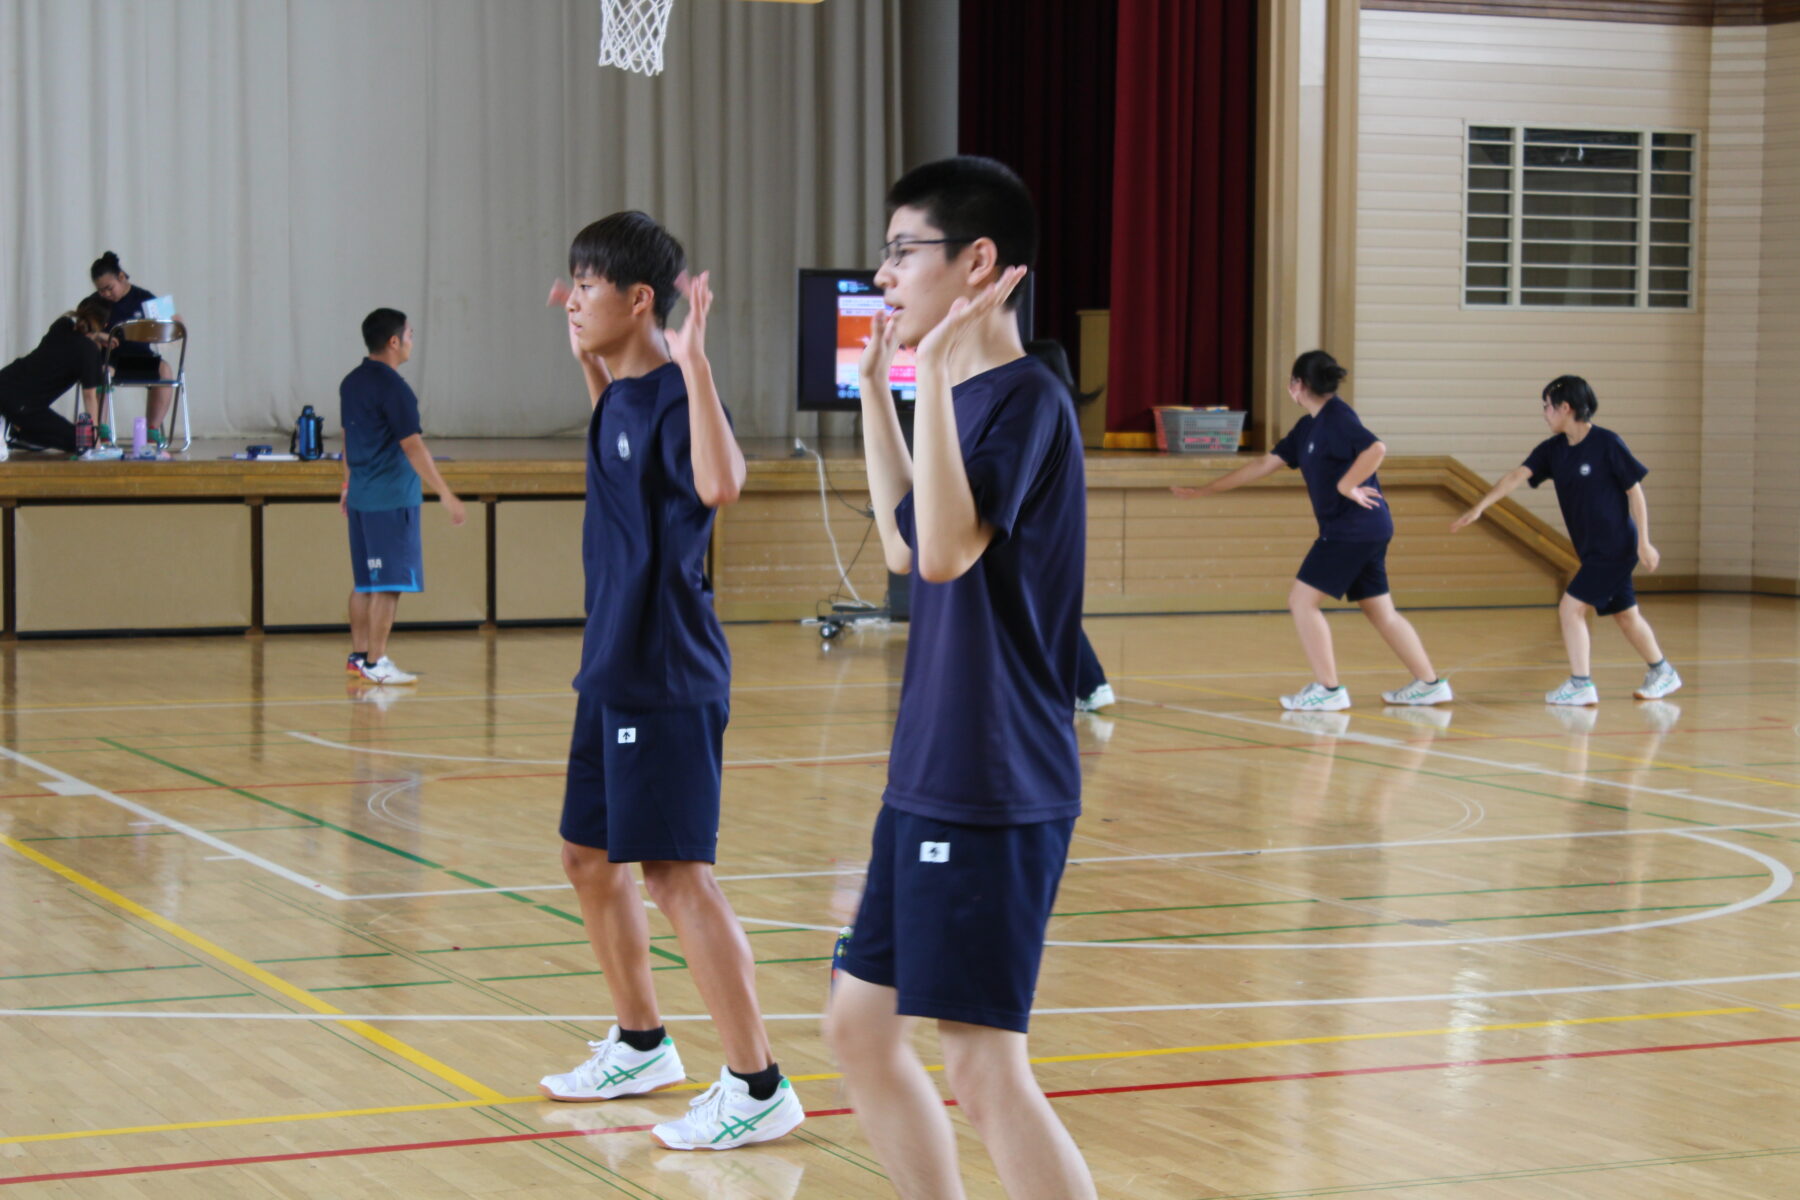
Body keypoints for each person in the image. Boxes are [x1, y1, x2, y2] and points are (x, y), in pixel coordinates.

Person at [828, 156, 1097, 1200]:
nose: (885, 273)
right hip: (928, 772)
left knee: (985, 1070)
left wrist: (928, 378)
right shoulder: (967, 393)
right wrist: (876, 396)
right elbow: (902, 548)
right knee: (857, 1028)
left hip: (994, 779)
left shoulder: (1025, 399)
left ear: (978, 262)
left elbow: (945, 549)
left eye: (904, 250)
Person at [536, 211, 805, 1152]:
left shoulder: (678, 399)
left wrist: (695, 361)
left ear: (639, 299)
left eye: (588, 285)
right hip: (609, 665)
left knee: (676, 875)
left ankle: (758, 1085)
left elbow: (723, 483)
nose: (571, 299)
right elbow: (616, 402)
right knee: (585, 856)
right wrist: (591, 355)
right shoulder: (617, 398)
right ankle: (643, 1043)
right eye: (569, 282)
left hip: (665, 672)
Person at [1172, 350, 1451, 712]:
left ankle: (1329, 689)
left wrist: (1346, 485)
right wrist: (1206, 489)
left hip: (1352, 528)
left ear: (1297, 385)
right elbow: (1263, 464)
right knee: (1380, 610)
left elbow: (1376, 448)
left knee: (1302, 602)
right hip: (1367, 528)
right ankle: (1429, 684)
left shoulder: (1338, 417)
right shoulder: (1308, 428)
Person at [1453, 374, 1680, 704]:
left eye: (1547, 406)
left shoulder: (1607, 444)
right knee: (1626, 615)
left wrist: (1644, 542)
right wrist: (1480, 507)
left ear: (1566, 407)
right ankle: (1663, 672)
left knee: (1570, 609)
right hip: (1591, 550)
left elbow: (1636, 492)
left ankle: (1580, 683)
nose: (1544, 413)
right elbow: (1517, 476)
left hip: (1615, 547)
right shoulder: (1553, 451)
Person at [338, 308, 465, 685]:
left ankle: (360, 657)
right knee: (388, 584)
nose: (412, 339)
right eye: (409, 333)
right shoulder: (394, 388)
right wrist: (445, 493)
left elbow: (347, 438)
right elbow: (413, 446)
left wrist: (345, 486)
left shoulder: (351, 382)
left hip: (361, 495)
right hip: (390, 498)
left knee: (365, 582)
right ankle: (377, 662)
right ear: (393, 341)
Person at [1024, 339, 1115, 712]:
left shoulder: (1044, 411)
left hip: (1044, 531)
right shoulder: (1055, 409)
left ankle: (1091, 684)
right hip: (1052, 529)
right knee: (1045, 611)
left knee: (1049, 612)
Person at [0, 297, 112, 453]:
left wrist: (97, 335)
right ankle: (12, 429)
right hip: (22, 404)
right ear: (105, 325)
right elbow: (90, 397)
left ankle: (12, 425)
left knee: (49, 431)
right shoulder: (89, 351)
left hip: (6, 381)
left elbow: (78, 334)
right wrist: (94, 438)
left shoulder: (61, 325)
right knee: (82, 443)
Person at [87, 251, 180, 438]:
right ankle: (101, 430)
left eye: (109, 288)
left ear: (121, 277)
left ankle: (152, 430)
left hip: (141, 359)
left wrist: (174, 323)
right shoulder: (95, 304)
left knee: (165, 371)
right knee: (101, 372)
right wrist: (97, 335)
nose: (105, 294)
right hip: (111, 360)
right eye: (100, 290)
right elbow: (83, 333)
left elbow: (173, 327)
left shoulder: (145, 298)